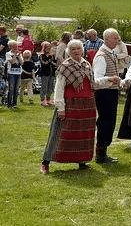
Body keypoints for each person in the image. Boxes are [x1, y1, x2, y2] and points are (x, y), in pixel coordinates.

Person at [40, 39, 96, 173]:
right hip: (70, 105)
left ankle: (82, 161)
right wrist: (61, 108)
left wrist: (109, 81)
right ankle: (46, 162)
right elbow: (58, 89)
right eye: (73, 49)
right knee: (59, 133)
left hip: (87, 105)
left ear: (82, 50)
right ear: (68, 51)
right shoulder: (65, 66)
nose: (76, 51)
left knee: (83, 135)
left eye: (78, 48)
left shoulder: (87, 64)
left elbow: (91, 83)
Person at [92, 28, 123, 164]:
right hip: (104, 93)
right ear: (107, 39)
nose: (117, 40)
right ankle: (100, 153)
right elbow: (97, 79)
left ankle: (103, 151)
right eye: (115, 38)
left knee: (110, 122)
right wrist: (111, 78)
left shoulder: (111, 53)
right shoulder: (101, 56)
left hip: (111, 92)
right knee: (105, 122)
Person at [5, 40, 23, 109]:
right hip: (11, 73)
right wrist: (15, 55)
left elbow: (22, 63)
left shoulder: (19, 54)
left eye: (16, 46)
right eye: (14, 46)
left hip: (18, 73)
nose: (16, 48)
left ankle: (14, 103)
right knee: (11, 88)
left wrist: (19, 56)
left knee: (16, 89)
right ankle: (9, 103)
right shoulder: (8, 54)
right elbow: (12, 62)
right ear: (10, 47)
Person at [38, 41, 56, 106]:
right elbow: (44, 63)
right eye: (47, 47)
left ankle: (48, 99)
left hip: (51, 73)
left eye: (49, 47)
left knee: (50, 87)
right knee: (44, 87)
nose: (49, 48)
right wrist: (49, 59)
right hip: (45, 73)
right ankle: (43, 100)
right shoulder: (41, 55)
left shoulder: (52, 55)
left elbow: (54, 63)